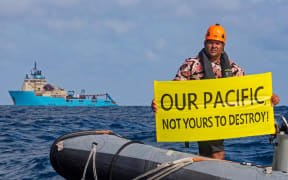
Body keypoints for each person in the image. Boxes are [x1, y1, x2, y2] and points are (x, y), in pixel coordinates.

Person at [151, 24, 280, 160]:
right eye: (211, 42)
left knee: (209, 154)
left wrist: (269, 98)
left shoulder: (234, 69)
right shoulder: (191, 65)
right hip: (196, 119)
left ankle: (197, 165)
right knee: (218, 154)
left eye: (217, 43)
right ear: (205, 43)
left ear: (223, 46)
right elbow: (174, 91)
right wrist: (159, 103)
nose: (214, 46)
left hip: (221, 121)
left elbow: (249, 95)